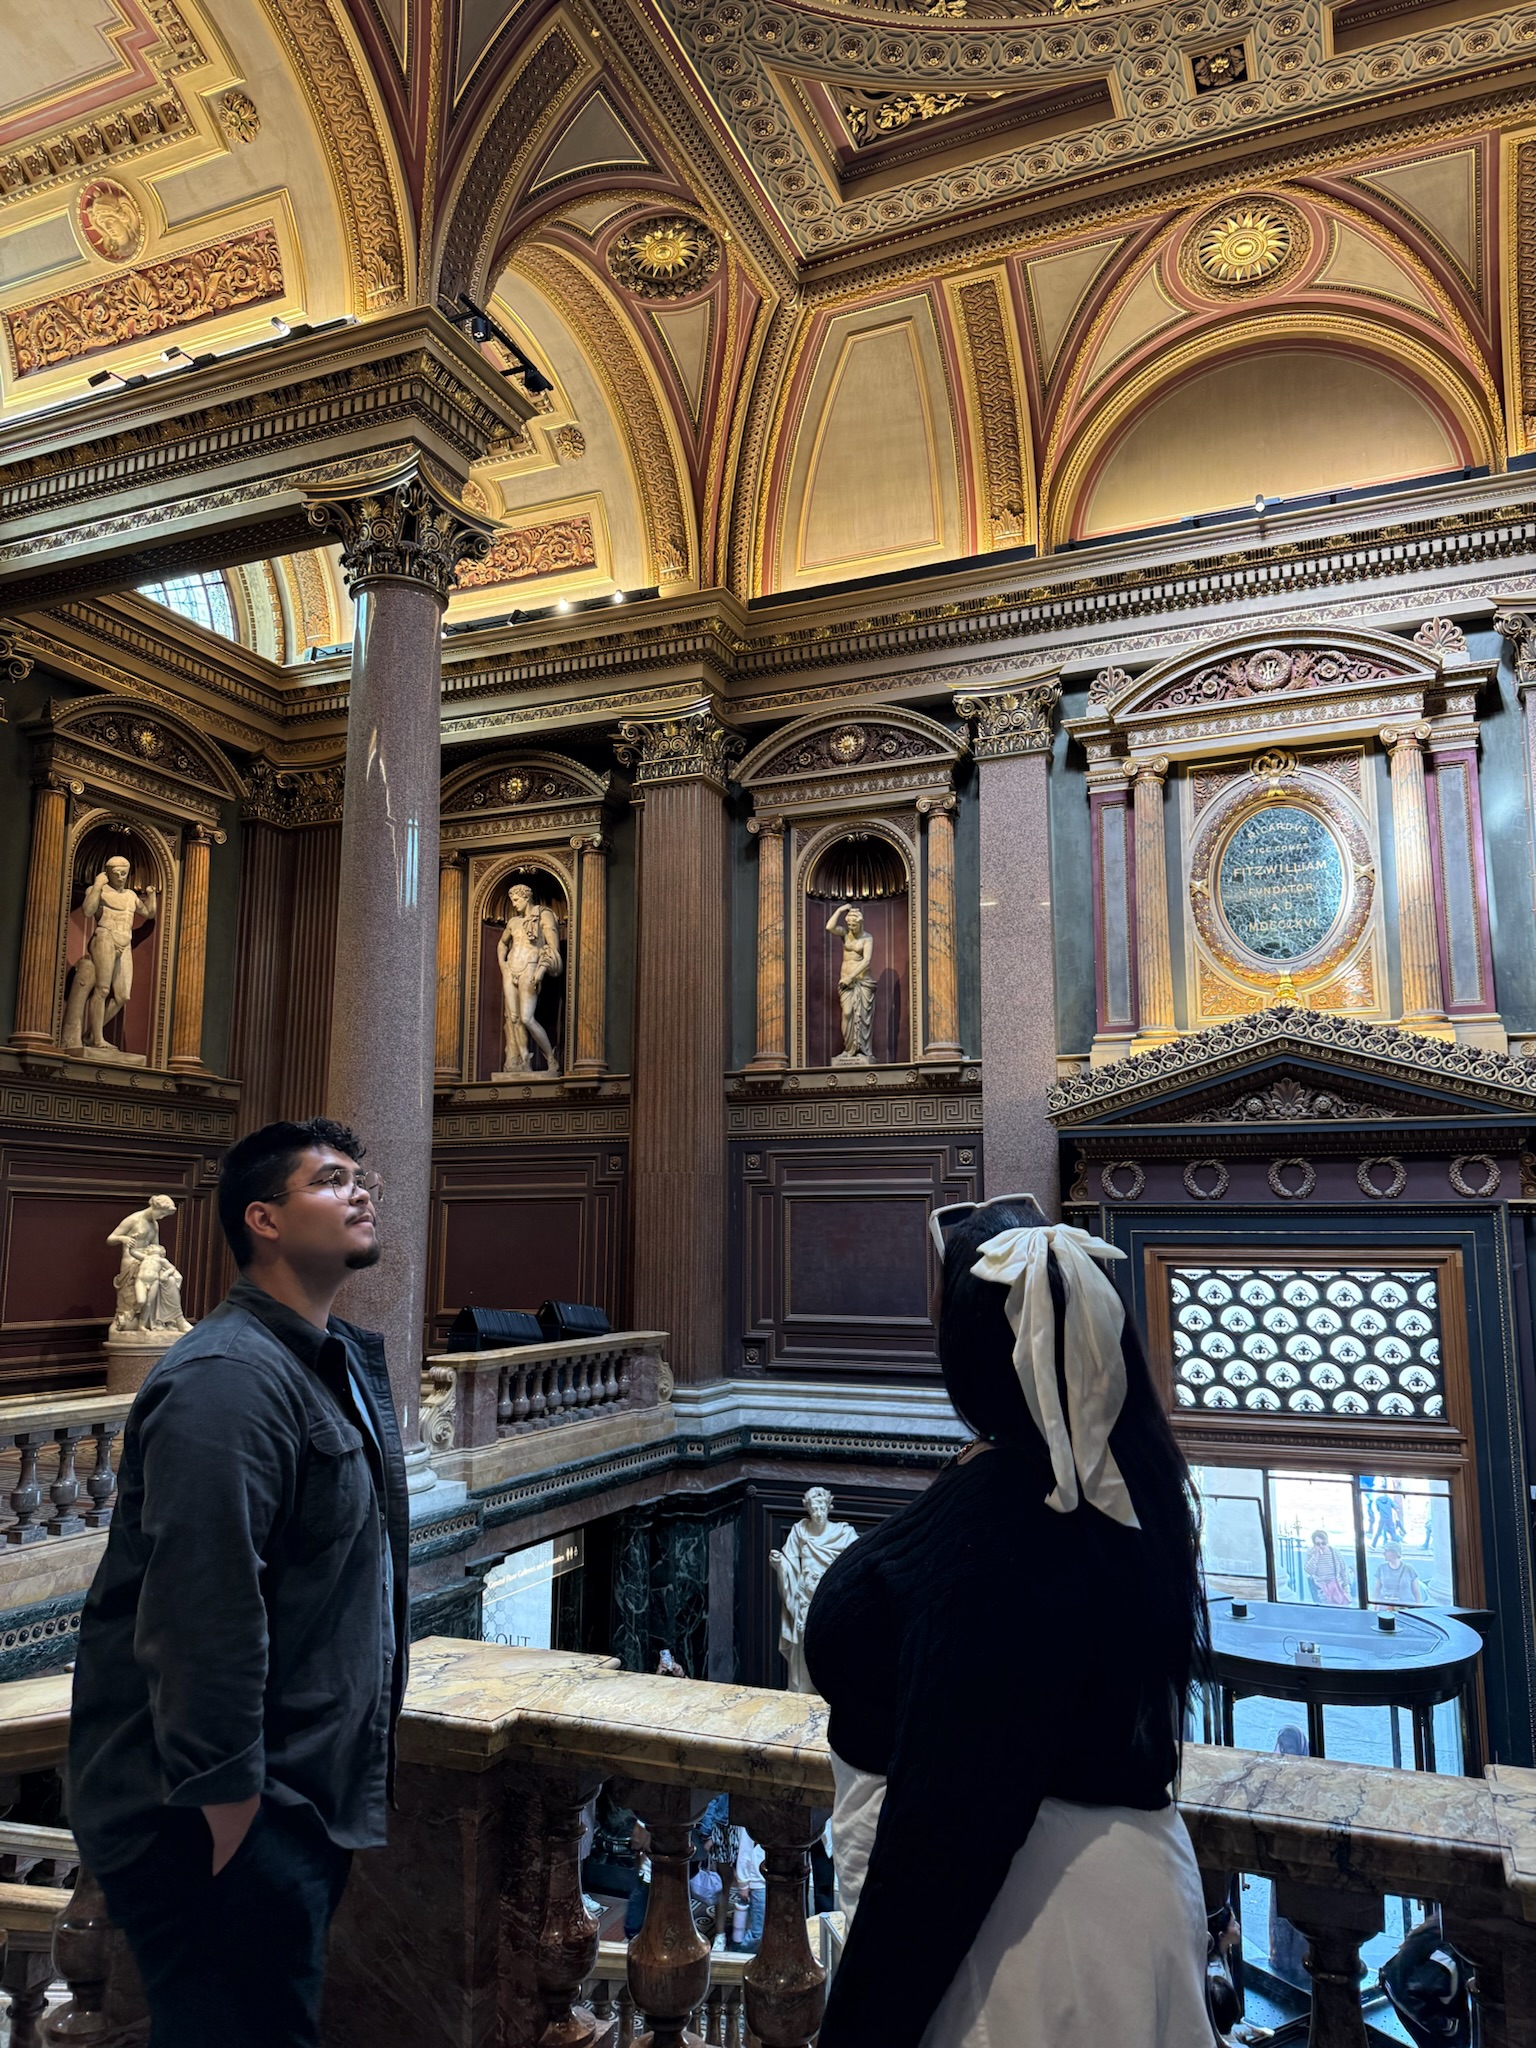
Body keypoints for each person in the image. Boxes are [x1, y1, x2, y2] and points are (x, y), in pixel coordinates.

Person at [804, 1198, 1211, 2048]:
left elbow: (947, 1836)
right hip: (1106, 1915)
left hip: (1018, 1949)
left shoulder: (1008, 1528)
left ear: (980, 1351)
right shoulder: (1119, 1483)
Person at [68, 1117, 408, 2048]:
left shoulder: (319, 1361)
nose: (363, 1192)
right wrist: (231, 1810)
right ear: (262, 1218)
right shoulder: (228, 1378)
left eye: (359, 1177)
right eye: (333, 1181)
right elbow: (202, 1606)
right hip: (222, 1820)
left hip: (289, 1802)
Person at [1304, 1528, 1352, 1605]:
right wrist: (1315, 1556)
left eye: (1324, 1543)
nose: (1321, 1546)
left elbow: (1343, 1570)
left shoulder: (1335, 1552)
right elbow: (1309, 1571)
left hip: (1337, 1586)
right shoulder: (1310, 1553)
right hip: (1322, 1589)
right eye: (1318, 1544)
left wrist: (1346, 1587)